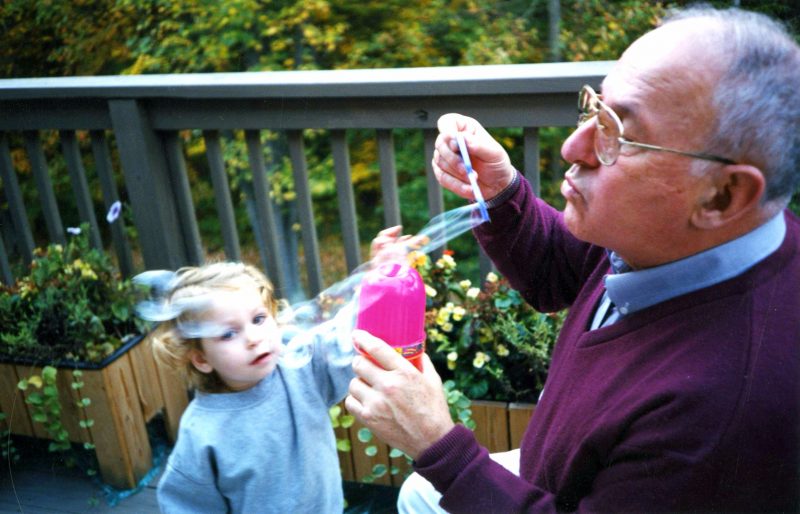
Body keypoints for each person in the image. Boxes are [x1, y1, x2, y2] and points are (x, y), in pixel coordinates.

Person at [345, 6, 800, 513]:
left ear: (721, 196)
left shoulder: (724, 415)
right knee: (417, 494)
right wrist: (501, 193)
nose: (570, 147)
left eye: (617, 135)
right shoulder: (671, 241)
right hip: (564, 468)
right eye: (594, 110)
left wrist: (440, 448)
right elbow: (563, 271)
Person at [140, 262, 353, 513]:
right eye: (228, 334)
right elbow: (187, 505)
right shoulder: (201, 432)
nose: (253, 338)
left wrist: (381, 279)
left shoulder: (303, 371)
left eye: (259, 319)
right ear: (202, 359)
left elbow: (348, 334)